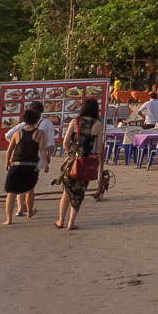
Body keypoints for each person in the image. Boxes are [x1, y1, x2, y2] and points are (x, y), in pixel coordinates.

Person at [55, 98, 105, 231]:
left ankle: (61, 220)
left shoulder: (75, 121)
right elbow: (98, 148)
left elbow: (65, 142)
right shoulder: (98, 125)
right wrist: (97, 158)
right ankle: (71, 222)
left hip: (72, 161)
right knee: (79, 192)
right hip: (85, 163)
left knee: (66, 191)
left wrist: (69, 153)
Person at [3, 104, 47, 224]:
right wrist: (46, 163)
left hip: (16, 165)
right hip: (31, 166)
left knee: (11, 192)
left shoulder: (17, 133)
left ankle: (9, 219)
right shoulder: (40, 133)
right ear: (37, 120)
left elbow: (9, 150)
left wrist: (7, 162)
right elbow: (42, 149)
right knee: (30, 189)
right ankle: (29, 212)